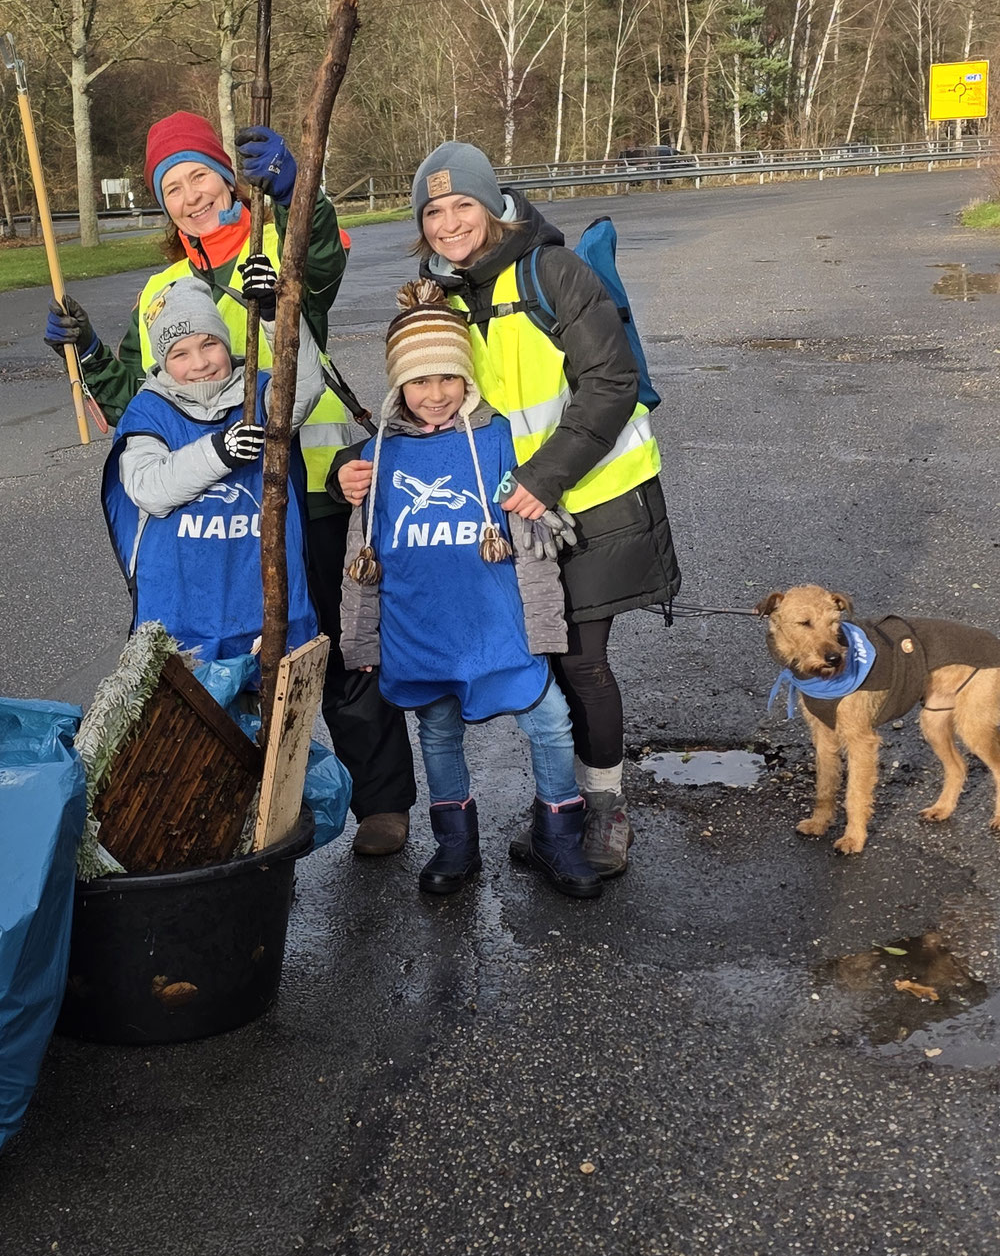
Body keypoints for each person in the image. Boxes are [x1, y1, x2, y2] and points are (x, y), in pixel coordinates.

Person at [47, 110, 416, 849]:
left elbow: (321, 259)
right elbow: (138, 403)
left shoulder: (276, 243)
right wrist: (87, 354)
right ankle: (234, 816)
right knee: (232, 663)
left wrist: (298, 194)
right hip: (222, 509)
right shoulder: (161, 292)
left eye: (199, 177)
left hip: (314, 485)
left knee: (337, 649)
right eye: (172, 188)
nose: (190, 197)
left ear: (228, 175)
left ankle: (381, 804)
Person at [397, 141, 680, 876]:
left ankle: (606, 810)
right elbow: (432, 400)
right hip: (518, 517)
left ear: (494, 205)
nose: (450, 222)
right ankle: (562, 810)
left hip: (596, 499)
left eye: (463, 204)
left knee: (582, 664)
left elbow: (611, 381)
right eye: (434, 211)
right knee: (542, 668)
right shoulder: (445, 294)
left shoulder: (553, 272)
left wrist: (547, 477)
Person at [333, 282, 601, 899]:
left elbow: (532, 542)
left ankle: (560, 838)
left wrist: (544, 627)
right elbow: (361, 556)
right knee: (437, 734)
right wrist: (361, 641)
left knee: (551, 722)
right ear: (398, 386)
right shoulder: (376, 457)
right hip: (422, 631)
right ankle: (456, 845)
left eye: (448, 378)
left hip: (497, 628)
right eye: (419, 382)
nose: (435, 395)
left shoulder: (500, 438)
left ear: (467, 377)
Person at [101, 271, 321, 662]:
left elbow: (304, 387)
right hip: (181, 618)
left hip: (267, 612)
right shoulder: (149, 411)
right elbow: (149, 488)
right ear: (163, 361)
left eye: (209, 344)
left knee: (271, 699)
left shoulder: (260, 393)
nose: (200, 363)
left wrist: (275, 312)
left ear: (225, 342)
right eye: (180, 354)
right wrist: (220, 452)